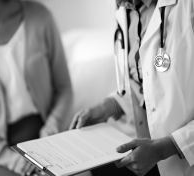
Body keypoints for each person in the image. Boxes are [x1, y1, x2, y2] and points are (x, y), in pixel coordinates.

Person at [70, 0, 194, 176]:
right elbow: (144, 82)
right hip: (141, 152)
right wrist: (109, 106)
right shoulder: (122, 8)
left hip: (181, 159)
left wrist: (164, 148)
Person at [0, 0, 73, 176]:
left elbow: (64, 88)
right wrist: (13, 160)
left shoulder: (40, 17)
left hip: (48, 134)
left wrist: (51, 134)